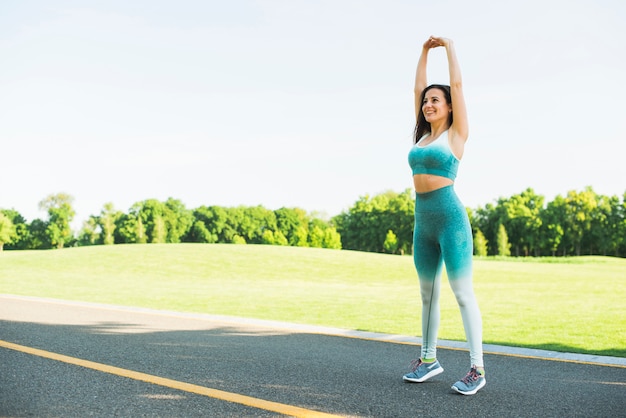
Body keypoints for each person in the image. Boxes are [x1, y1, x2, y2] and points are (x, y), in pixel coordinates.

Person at [402, 36, 486, 395]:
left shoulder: (456, 136)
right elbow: (418, 86)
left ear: (450, 107)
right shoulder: (421, 137)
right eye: (425, 102)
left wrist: (448, 47)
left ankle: (477, 369)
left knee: (462, 293)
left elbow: (458, 85)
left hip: (450, 220)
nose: (427, 104)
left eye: (435, 100)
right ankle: (428, 359)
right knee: (427, 294)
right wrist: (423, 52)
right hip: (424, 224)